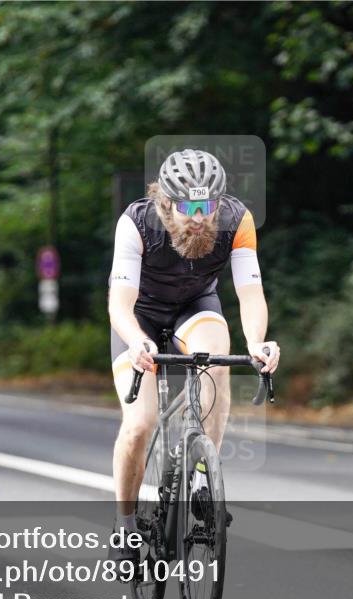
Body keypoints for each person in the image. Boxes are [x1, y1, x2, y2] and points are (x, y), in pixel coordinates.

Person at [107, 148, 280, 563]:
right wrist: (137, 341)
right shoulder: (136, 222)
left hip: (195, 307)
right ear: (166, 203)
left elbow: (250, 293)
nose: (200, 217)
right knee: (139, 425)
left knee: (217, 361)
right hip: (140, 317)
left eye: (208, 206)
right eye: (188, 207)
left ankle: (202, 477)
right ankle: (126, 525)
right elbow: (119, 304)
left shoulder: (236, 220)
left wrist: (257, 342)